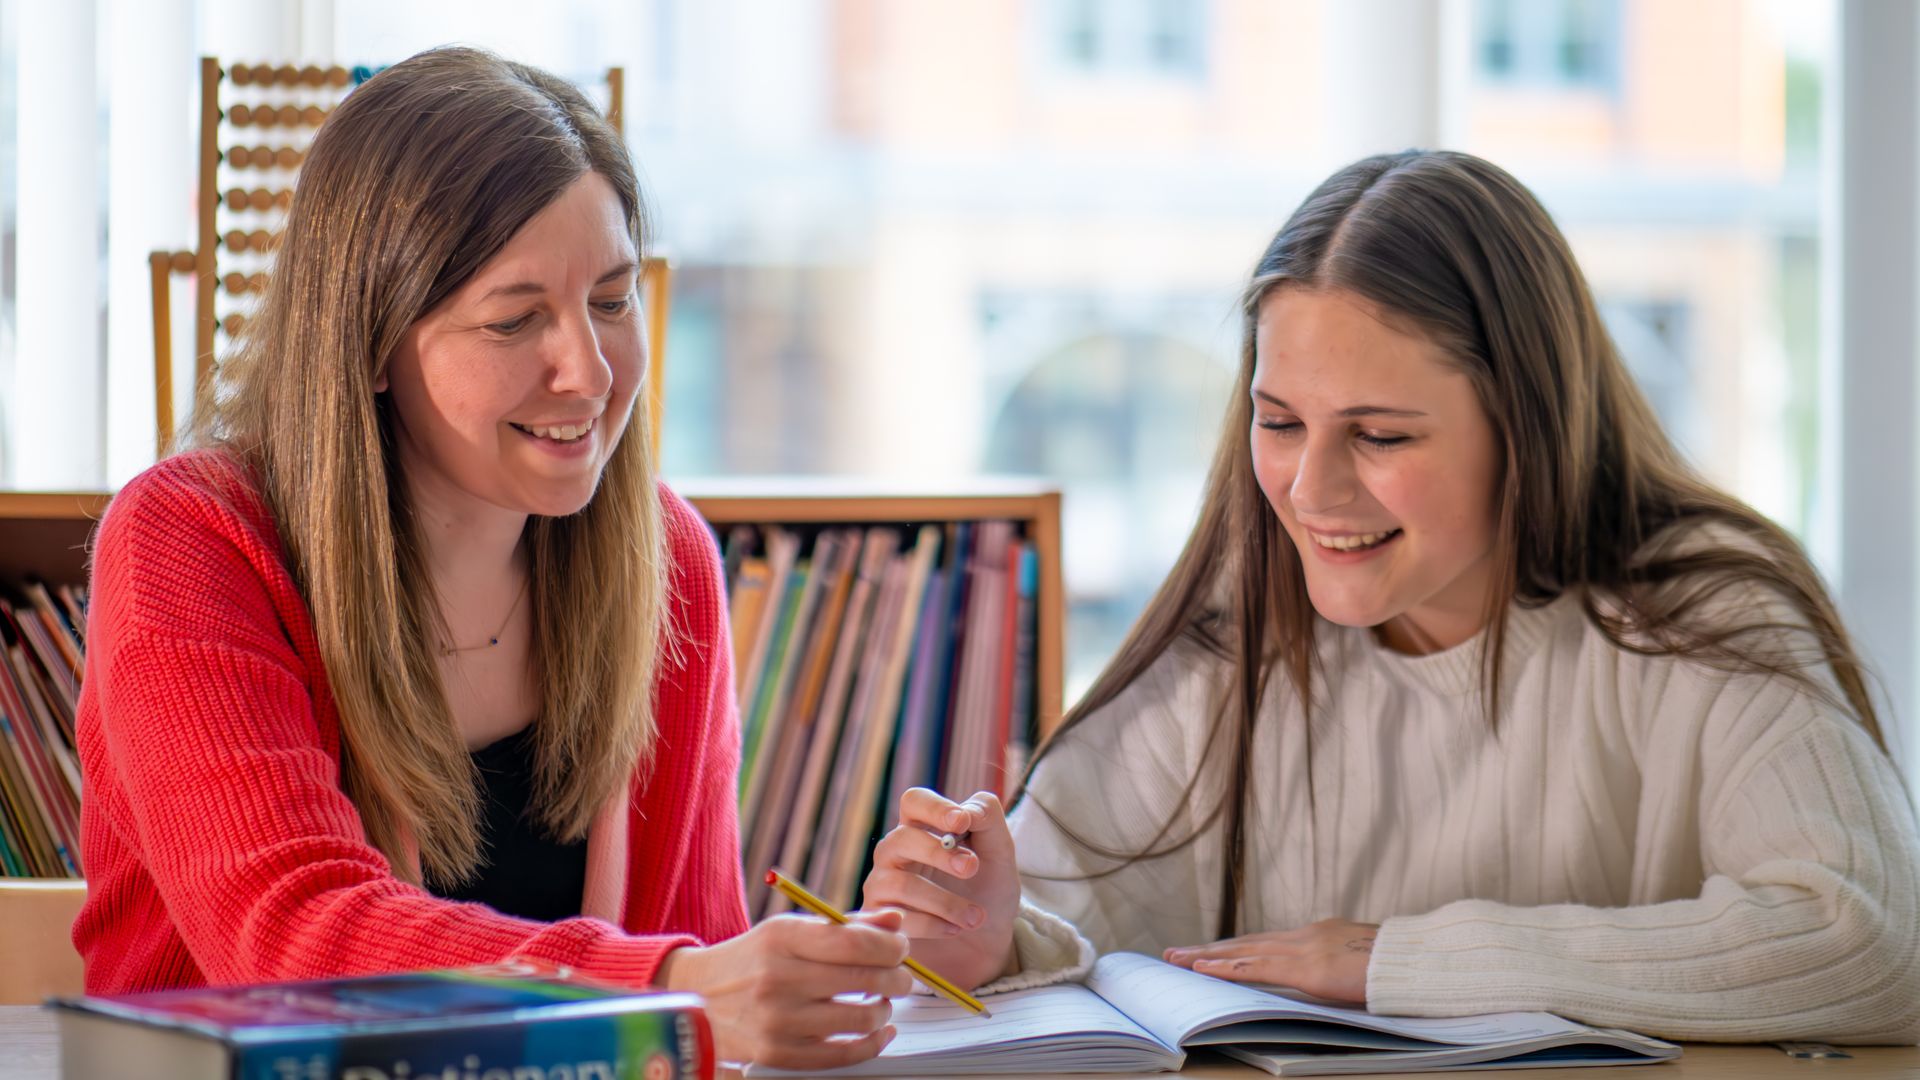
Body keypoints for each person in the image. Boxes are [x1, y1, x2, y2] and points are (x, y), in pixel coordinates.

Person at [864, 149, 1920, 1043]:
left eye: (1379, 435)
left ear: (1530, 424)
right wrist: (988, 938)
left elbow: (1868, 940)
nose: (1311, 491)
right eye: (1280, 423)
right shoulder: (1231, 642)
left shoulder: (1702, 618)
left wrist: (1393, 962)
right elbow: (1062, 908)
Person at [73, 48, 905, 1070]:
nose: (590, 373)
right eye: (516, 319)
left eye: (610, 300)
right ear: (370, 342)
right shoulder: (191, 541)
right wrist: (667, 990)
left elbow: (703, 960)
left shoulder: (669, 561)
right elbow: (290, 941)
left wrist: (881, 963)